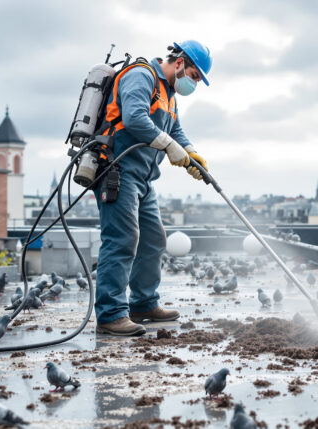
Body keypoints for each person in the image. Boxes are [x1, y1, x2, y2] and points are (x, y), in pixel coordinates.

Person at [93, 40, 212, 336]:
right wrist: (170, 146)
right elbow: (134, 118)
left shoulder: (169, 93)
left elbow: (175, 129)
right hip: (117, 169)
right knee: (122, 239)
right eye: (195, 76)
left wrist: (190, 153)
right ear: (181, 62)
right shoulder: (142, 75)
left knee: (154, 239)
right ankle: (111, 314)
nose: (193, 84)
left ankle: (143, 303)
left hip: (144, 177)